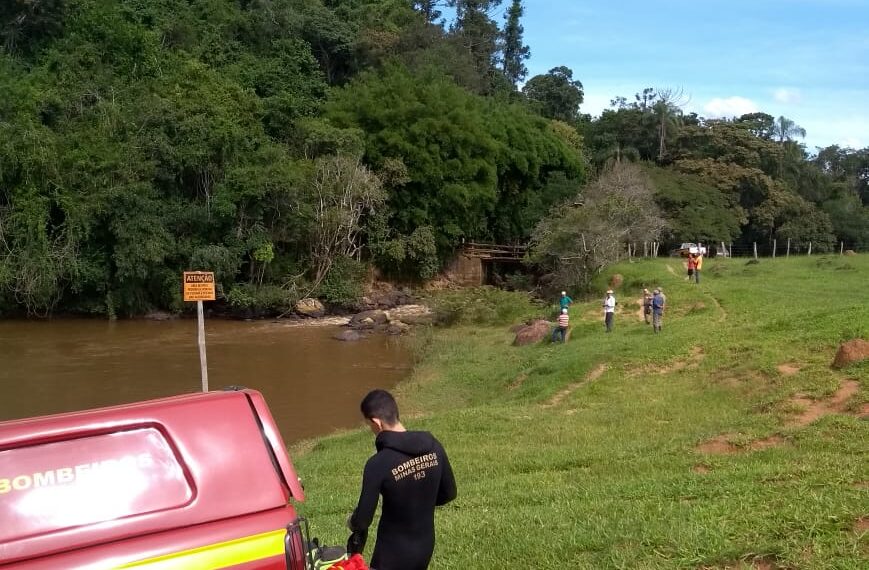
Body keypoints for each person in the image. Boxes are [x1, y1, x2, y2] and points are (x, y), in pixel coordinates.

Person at [347, 389, 457, 570]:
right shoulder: (434, 447)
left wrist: (352, 521)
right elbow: (449, 493)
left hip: (391, 555)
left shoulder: (378, 464)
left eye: (370, 426)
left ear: (376, 422)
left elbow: (362, 521)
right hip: (425, 547)